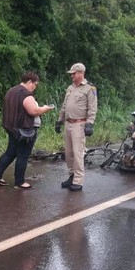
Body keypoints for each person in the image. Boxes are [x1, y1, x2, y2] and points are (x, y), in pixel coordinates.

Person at [0, 71, 54, 189]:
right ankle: (19, 182)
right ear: (30, 82)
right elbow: (34, 111)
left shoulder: (11, 91)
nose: (35, 87)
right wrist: (45, 108)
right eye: (35, 84)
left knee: (10, 152)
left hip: (11, 128)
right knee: (23, 155)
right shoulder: (26, 94)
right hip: (25, 131)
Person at [55, 63, 98, 192]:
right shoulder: (70, 88)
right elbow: (64, 105)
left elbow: (92, 108)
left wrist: (90, 123)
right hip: (68, 123)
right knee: (68, 153)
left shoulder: (90, 89)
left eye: (74, 73)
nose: (72, 76)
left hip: (79, 124)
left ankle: (78, 181)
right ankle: (71, 175)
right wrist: (59, 120)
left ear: (80, 73)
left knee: (77, 152)